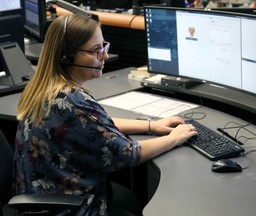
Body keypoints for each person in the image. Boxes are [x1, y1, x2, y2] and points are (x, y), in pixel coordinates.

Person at [14, 14, 197, 216]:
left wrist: (151, 126)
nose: (105, 56)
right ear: (66, 56)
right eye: (96, 51)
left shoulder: (44, 87)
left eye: (104, 47)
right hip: (69, 208)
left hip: (41, 197)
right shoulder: (74, 101)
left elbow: (93, 126)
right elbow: (130, 154)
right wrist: (175, 138)